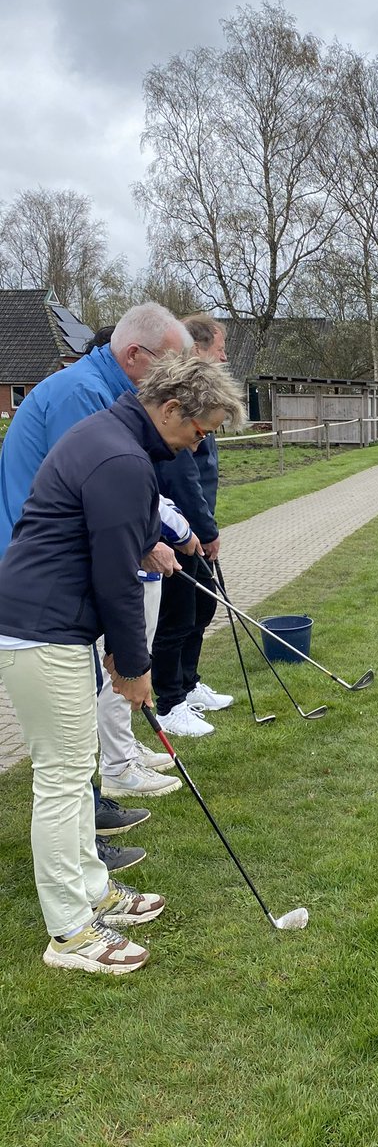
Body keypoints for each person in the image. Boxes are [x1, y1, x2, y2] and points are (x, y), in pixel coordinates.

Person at [0, 354, 245, 973]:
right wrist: (133, 667)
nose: (201, 441)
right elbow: (115, 580)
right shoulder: (122, 458)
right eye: (201, 428)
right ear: (169, 410)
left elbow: (106, 533)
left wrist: (146, 543)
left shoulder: (113, 440)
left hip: (49, 623)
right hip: (42, 628)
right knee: (62, 779)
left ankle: (94, 891)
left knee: (74, 767)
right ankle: (71, 933)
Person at [0, 303, 197, 829]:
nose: (175, 382)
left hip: (56, 579)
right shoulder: (84, 396)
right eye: (171, 367)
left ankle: (92, 813)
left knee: (76, 722)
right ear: (136, 355)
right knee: (68, 739)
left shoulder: (107, 393)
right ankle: (89, 821)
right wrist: (146, 541)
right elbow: (100, 507)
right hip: (49, 583)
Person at [152, 316, 234, 737]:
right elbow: (184, 478)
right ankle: (169, 702)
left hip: (194, 527)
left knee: (202, 607)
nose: (224, 356)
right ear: (199, 347)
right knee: (177, 616)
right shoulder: (181, 406)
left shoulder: (204, 399)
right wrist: (204, 529)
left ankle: (187, 683)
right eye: (219, 348)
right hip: (176, 531)